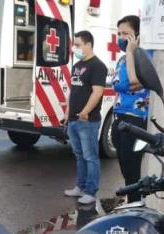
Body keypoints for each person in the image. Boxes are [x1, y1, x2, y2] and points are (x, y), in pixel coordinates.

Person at [63, 30, 107, 206]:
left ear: (89, 45)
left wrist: (85, 112)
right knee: (79, 155)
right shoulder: (77, 66)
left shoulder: (98, 66)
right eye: (75, 45)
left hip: (87, 121)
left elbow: (97, 92)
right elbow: (73, 90)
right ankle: (80, 187)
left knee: (90, 157)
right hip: (73, 120)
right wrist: (67, 113)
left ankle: (91, 191)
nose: (75, 48)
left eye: (78, 45)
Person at [111, 15, 151, 203]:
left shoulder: (144, 55)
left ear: (137, 35)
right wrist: (127, 54)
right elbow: (120, 85)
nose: (120, 37)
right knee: (125, 170)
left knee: (132, 170)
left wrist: (130, 52)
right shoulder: (121, 60)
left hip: (135, 120)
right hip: (118, 117)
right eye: (118, 33)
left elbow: (134, 82)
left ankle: (136, 206)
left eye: (125, 33)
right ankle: (132, 204)